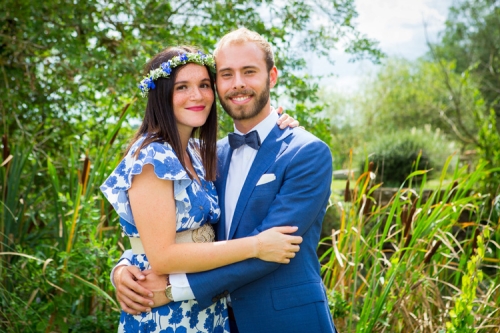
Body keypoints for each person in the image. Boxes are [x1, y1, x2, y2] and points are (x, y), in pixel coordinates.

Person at [114, 28, 337, 333]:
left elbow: (273, 250)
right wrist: (125, 267)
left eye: (249, 72)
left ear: (271, 77)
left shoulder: (306, 152)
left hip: (283, 321)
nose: (239, 84)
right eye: (227, 74)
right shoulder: (211, 156)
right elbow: (169, 233)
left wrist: (171, 289)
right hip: (213, 321)